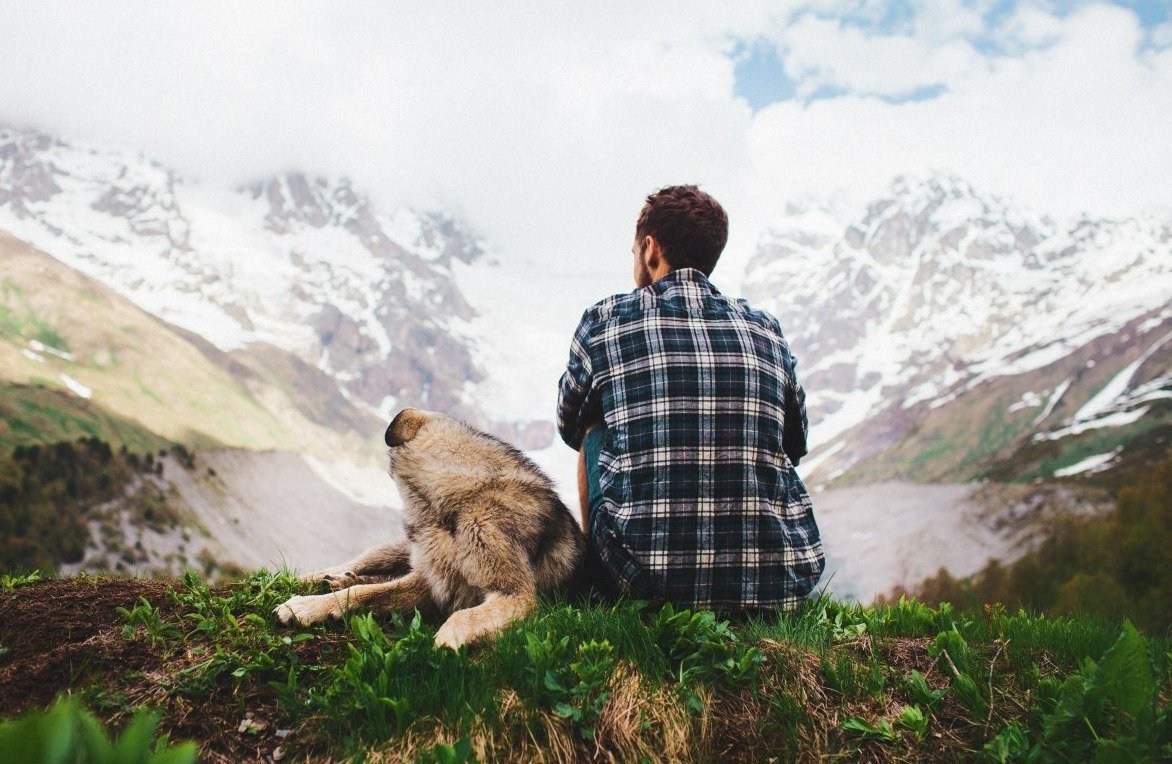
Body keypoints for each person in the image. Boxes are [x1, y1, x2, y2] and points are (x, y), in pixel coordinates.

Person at [556, 185, 824, 613]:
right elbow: (796, 442)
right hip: (775, 588)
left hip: (643, 586)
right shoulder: (765, 329)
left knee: (594, 425)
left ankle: (596, 588)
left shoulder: (605, 321)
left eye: (633, 252)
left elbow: (569, 424)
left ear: (650, 249)